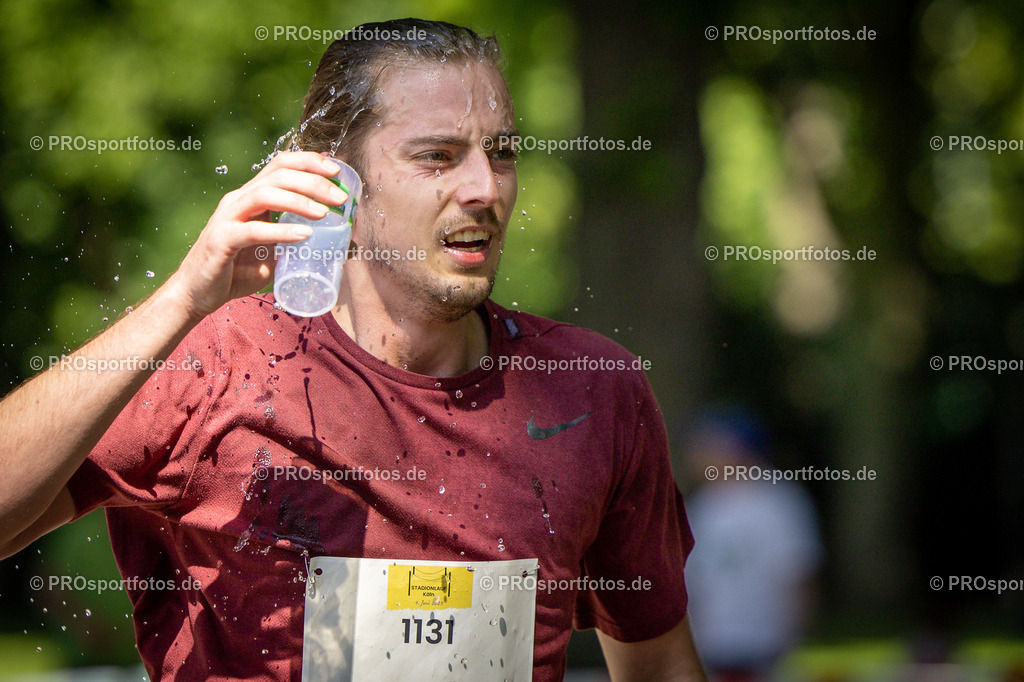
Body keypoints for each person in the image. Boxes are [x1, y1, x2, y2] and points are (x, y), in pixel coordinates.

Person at [0, 18, 704, 681]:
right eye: (438, 156)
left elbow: (662, 665)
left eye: (503, 152)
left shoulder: (592, 391)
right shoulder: (211, 361)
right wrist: (182, 299)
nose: (486, 189)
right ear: (336, 180)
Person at [683, 407, 823, 681]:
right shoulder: (701, 506)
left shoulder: (778, 501)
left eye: (708, 444)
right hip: (710, 649)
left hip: (766, 649)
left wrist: (794, 642)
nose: (698, 455)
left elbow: (799, 574)